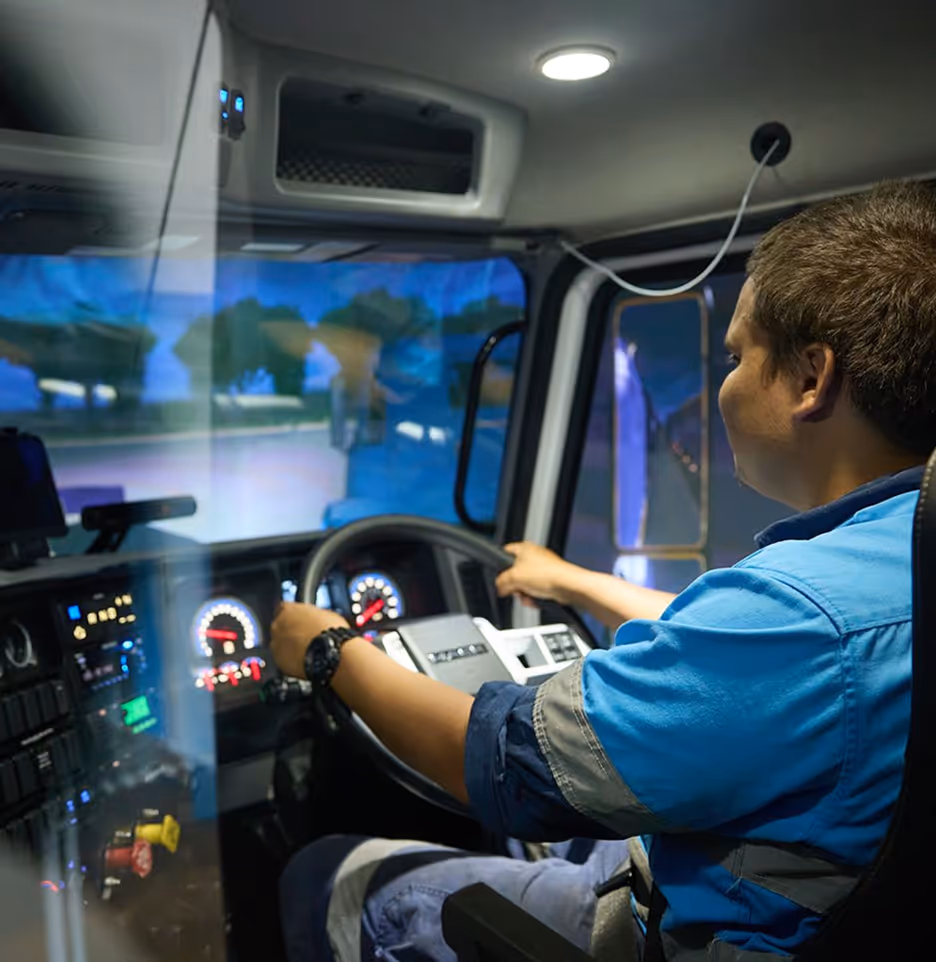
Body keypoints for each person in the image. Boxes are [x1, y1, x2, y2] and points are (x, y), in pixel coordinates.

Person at [270, 181, 936, 962]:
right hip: (780, 881)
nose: (725, 382)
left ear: (812, 379)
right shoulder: (891, 557)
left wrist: (329, 651)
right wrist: (574, 581)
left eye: (737, 355)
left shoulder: (795, 618)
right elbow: (763, 652)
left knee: (326, 874)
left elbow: (505, 766)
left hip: (685, 932)